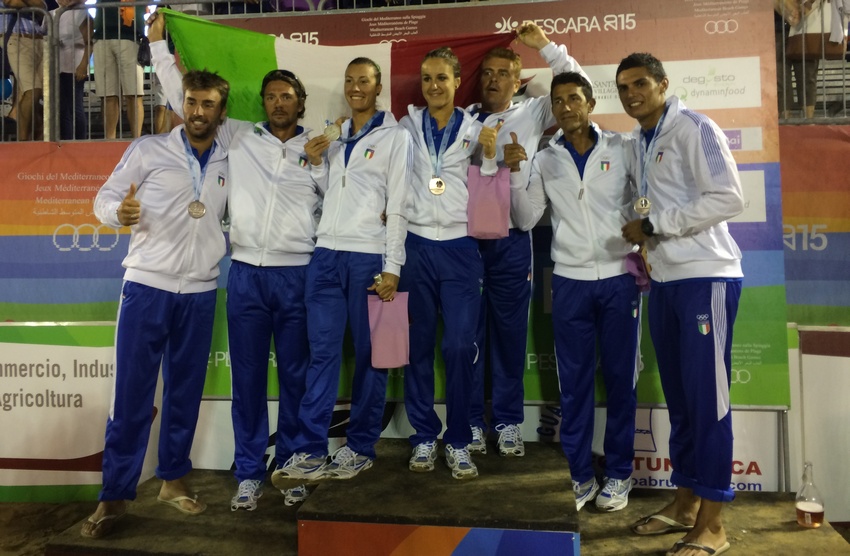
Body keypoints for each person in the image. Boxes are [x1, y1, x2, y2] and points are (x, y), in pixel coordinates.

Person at [149, 12, 324, 511]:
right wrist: (160, 49)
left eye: (286, 96)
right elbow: (179, 98)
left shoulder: (319, 147)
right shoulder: (239, 135)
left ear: (300, 102)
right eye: (270, 96)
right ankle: (248, 472)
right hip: (246, 274)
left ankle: (289, 468)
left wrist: (320, 164)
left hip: (298, 275)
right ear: (262, 103)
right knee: (247, 380)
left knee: (295, 377)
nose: (278, 102)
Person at [82, 67, 230, 539]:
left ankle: (173, 480)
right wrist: (116, 213)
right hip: (147, 286)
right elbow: (104, 198)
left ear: (221, 111)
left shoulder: (232, 157)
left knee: (184, 393)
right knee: (130, 396)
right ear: (179, 104)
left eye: (207, 104)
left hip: (202, 290)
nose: (197, 112)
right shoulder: (149, 149)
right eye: (191, 102)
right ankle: (114, 494)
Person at [618, 52, 743, 556]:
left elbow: (729, 197)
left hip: (705, 279)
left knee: (708, 404)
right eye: (624, 87)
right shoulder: (640, 142)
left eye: (641, 84)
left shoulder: (694, 127)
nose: (632, 94)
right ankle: (686, 504)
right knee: (684, 403)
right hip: (666, 282)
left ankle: (713, 525)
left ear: (663, 84)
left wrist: (653, 226)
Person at [271, 56, 411, 483]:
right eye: (350, 81)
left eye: (364, 81)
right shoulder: (334, 135)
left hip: (369, 256)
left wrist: (393, 266)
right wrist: (316, 163)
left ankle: (361, 447)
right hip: (326, 255)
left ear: (377, 86)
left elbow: (399, 203)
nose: (356, 88)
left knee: (373, 357)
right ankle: (311, 450)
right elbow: (332, 195)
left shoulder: (395, 135)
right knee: (322, 356)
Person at [507, 71, 640, 511]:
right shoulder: (545, 159)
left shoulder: (622, 148)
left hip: (621, 280)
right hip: (568, 283)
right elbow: (526, 219)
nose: (565, 107)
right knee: (575, 387)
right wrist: (513, 174)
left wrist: (642, 233)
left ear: (590, 104)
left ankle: (619, 474)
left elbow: (647, 199)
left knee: (622, 380)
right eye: (558, 101)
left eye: (573, 99)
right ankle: (581, 475)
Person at [465, 22, 588, 458]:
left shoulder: (534, 112)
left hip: (514, 240)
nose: (495, 79)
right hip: (464, 242)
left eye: (504, 73)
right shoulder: (463, 121)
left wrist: (546, 48)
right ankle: (470, 424)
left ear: (517, 81)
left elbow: (578, 88)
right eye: (488, 73)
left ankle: (508, 422)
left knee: (510, 335)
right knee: (468, 338)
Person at [399, 47, 498, 480]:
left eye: (441, 78)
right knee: (416, 347)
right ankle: (424, 436)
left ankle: (459, 439)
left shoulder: (478, 130)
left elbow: (493, 193)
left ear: (458, 81)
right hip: (415, 245)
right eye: (426, 79)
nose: (433, 86)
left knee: (460, 346)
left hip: (461, 248)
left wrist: (491, 156)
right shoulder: (404, 128)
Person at [93, 0, 146, 138]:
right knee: (108, 95)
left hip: (130, 35)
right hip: (102, 35)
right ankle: (110, 141)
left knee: (133, 94)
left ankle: (137, 140)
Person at [1, 0, 46, 140]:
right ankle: (22, 141)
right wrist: (34, 4)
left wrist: (32, 5)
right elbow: (12, 2)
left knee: (41, 95)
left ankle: (36, 138)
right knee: (33, 90)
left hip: (39, 39)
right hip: (16, 39)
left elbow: (42, 7)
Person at [50, 0, 93, 140]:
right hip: (57, 68)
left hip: (74, 66)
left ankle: (80, 142)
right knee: (62, 110)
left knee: (75, 108)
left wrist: (83, 64)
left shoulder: (80, 12)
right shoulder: (51, 14)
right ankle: (66, 142)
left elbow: (89, 40)